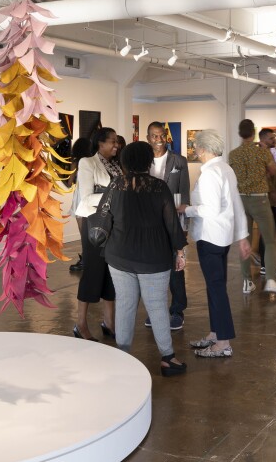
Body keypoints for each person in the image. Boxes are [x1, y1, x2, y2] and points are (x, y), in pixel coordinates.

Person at [103, 141, 188, 377]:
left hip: (120, 256)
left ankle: (123, 356)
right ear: (148, 161)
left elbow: (105, 217)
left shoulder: (115, 185)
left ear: (125, 161)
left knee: (125, 304)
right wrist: (180, 252)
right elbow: (172, 223)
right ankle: (168, 358)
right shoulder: (158, 187)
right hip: (153, 258)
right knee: (157, 305)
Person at [176, 130, 251, 358]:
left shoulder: (210, 174)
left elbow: (209, 209)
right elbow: (236, 204)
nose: (195, 151)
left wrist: (185, 209)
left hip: (210, 237)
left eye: (196, 147)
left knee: (216, 289)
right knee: (214, 287)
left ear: (203, 149)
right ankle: (215, 333)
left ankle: (223, 342)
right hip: (222, 237)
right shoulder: (225, 169)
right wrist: (242, 236)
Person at [228, 119, 276, 295]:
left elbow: (232, 177)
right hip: (260, 200)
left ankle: (247, 281)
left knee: (244, 241)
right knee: (269, 241)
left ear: (240, 134)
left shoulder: (233, 154)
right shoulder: (262, 153)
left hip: (241, 201)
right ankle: (270, 279)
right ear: (253, 133)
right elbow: (272, 172)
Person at [72, 127, 121, 341]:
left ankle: (109, 322)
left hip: (113, 225)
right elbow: (85, 198)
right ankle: (80, 324)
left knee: (111, 273)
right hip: (95, 225)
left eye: (117, 142)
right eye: (112, 142)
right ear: (100, 143)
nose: (116, 146)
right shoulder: (87, 163)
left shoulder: (117, 164)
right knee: (93, 273)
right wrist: (112, 197)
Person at [144, 121, 191, 331]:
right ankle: (156, 311)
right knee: (153, 268)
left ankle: (177, 310)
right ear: (148, 138)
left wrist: (184, 227)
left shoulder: (179, 161)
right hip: (149, 222)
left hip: (172, 220)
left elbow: (185, 194)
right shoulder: (143, 161)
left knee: (176, 268)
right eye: (154, 136)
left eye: (162, 135)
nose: (159, 139)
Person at [256, 128, 276, 277]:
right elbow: (266, 180)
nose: (274, 141)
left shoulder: (268, 155)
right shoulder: (262, 156)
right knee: (268, 233)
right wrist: (275, 196)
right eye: (271, 138)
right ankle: (266, 266)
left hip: (270, 200)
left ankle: (263, 262)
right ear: (263, 140)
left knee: (271, 231)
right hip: (266, 200)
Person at [67, 137, 93, 273]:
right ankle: (90, 258)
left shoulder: (77, 162)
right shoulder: (93, 161)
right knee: (91, 230)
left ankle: (86, 259)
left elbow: (70, 182)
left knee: (83, 231)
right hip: (90, 195)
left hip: (80, 196)